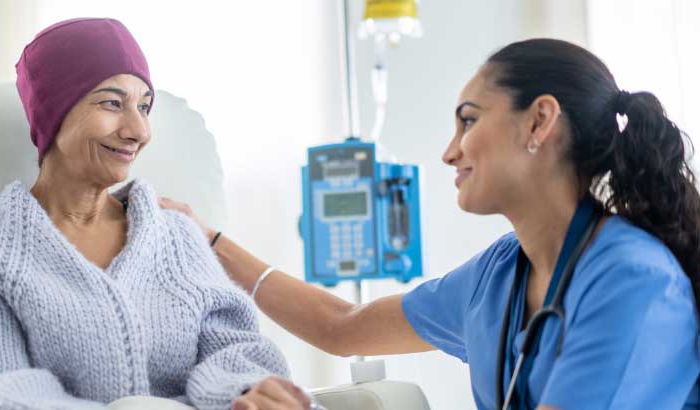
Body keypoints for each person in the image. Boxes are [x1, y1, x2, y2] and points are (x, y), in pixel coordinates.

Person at [162, 38, 700, 409]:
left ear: (539, 121)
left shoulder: (634, 281)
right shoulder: (500, 274)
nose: (449, 152)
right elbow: (343, 326)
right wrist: (207, 240)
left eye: (468, 120)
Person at [0, 18, 308, 410]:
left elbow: (233, 350)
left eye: (144, 106)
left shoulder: (175, 235)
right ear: (54, 111)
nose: (139, 130)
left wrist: (247, 393)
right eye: (112, 103)